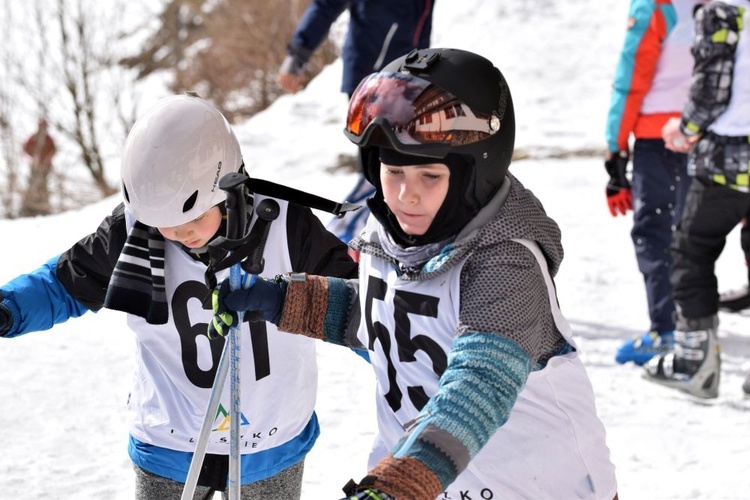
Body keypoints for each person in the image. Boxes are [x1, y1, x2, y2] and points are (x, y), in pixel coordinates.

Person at [214, 48, 618, 499]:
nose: (406, 196)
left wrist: (401, 483)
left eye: (429, 176)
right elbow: (392, 320)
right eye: (392, 172)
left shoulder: (506, 263)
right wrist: (285, 300)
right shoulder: (392, 234)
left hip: (531, 486)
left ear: (474, 174)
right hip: (425, 482)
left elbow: (480, 385)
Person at [0, 94, 358, 498]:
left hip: (271, 439)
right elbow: (66, 282)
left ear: (230, 187)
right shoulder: (135, 228)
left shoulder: (286, 223)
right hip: (169, 441)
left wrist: (403, 347)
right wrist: (9, 308)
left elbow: (358, 305)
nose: (181, 233)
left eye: (195, 217)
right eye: (166, 224)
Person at [646, 0, 750, 398]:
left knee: (692, 251)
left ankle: (695, 363)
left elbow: (711, 90)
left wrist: (683, 127)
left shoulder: (724, 9)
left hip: (729, 157)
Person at [278, 0, 436, 249]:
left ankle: (385, 240)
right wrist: (298, 55)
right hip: (375, 78)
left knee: (398, 167)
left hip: (409, 77)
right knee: (377, 172)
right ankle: (344, 242)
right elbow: (326, 5)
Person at [604, 0, 709, 366]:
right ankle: (697, 325)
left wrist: (615, 146)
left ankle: (666, 329)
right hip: (714, 132)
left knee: (656, 232)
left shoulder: (658, 5)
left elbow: (632, 75)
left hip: (659, 138)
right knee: (696, 232)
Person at [21, 118, 57, 217]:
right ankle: (29, 209)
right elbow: (26, 148)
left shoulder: (48, 139)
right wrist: (33, 155)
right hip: (35, 166)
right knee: (33, 185)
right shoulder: (33, 138)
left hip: (45, 167)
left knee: (43, 186)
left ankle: (44, 209)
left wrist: (48, 159)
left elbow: (54, 150)